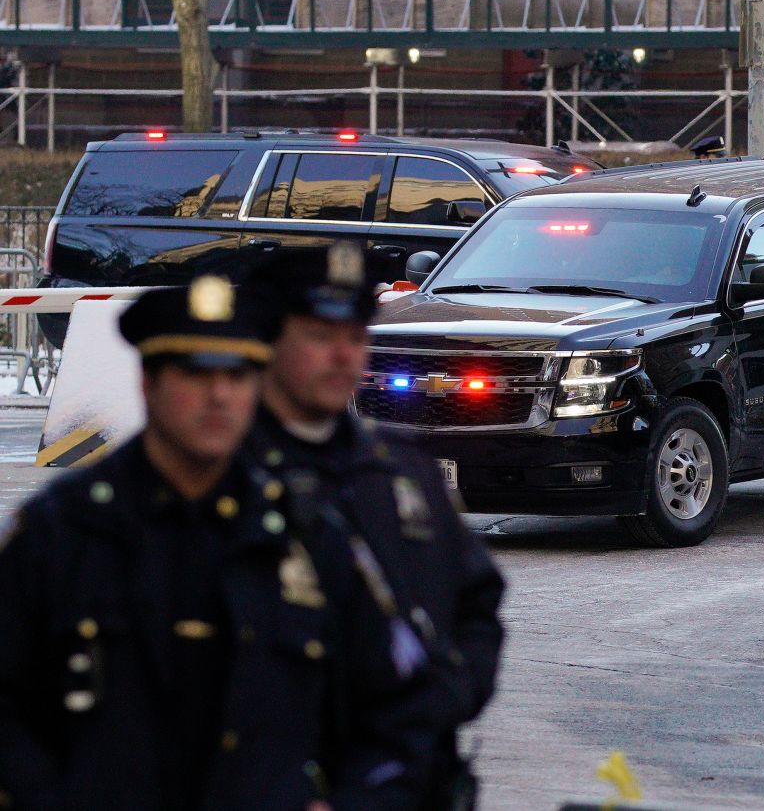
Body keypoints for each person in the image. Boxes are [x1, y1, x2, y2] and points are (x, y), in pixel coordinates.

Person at [0, 277, 433, 811]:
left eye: (238, 374)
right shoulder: (63, 530)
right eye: (195, 373)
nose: (219, 394)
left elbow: (397, 702)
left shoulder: (307, 530)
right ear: (147, 384)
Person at [245, 244, 505, 811]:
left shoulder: (399, 467)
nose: (343, 356)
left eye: (355, 336)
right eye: (319, 336)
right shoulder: (222, 480)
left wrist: (450, 694)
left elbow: (477, 598)